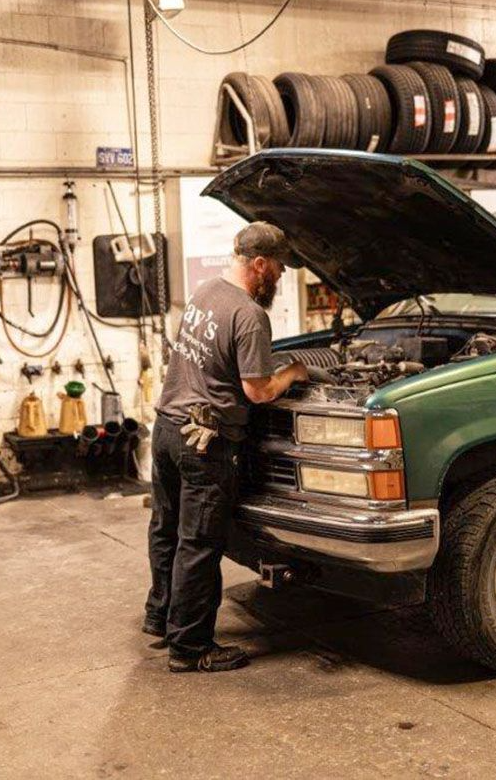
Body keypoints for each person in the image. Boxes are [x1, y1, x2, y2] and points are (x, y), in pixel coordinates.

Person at [143, 221, 307, 673]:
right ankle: (191, 649)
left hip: (168, 429)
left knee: (167, 529)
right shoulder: (250, 315)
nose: (279, 275)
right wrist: (293, 372)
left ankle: (161, 616)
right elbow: (257, 391)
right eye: (276, 267)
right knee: (198, 543)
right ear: (258, 264)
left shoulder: (204, 293)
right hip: (206, 444)